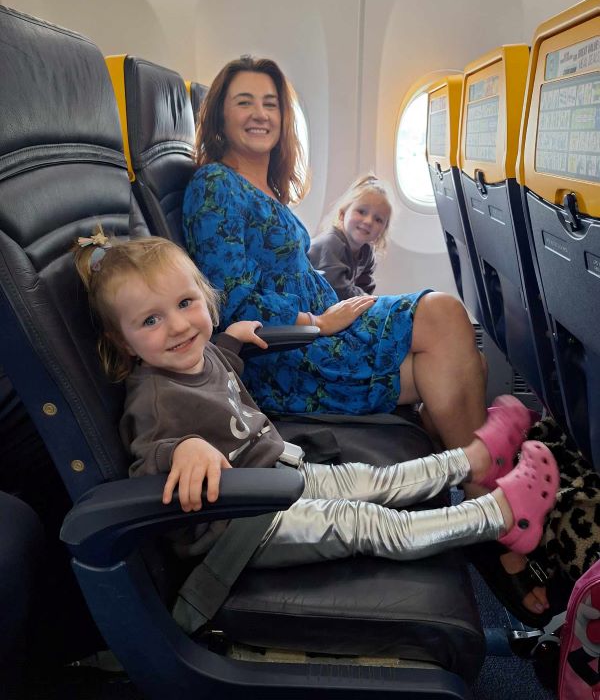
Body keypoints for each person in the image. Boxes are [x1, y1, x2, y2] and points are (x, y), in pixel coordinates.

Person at [73, 232, 559, 569]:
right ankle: (498, 515)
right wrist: (183, 450)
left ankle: (474, 458)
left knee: (375, 480)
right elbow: (149, 453)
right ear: (123, 341)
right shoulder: (153, 397)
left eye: (185, 304)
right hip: (241, 526)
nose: (178, 326)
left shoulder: (202, 352)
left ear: (204, 299)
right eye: (150, 321)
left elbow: (218, 366)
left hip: (277, 473)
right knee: (368, 523)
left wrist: (236, 338)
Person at [182, 55, 486, 462]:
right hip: (285, 353)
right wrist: (317, 321)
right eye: (244, 102)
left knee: (470, 361)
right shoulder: (215, 185)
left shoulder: (267, 185)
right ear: (220, 115)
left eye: (270, 104)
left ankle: (466, 481)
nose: (260, 114)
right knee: (446, 316)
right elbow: (230, 301)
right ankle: (485, 489)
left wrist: (335, 312)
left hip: (321, 329)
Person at [308, 173, 392, 300]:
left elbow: (365, 286)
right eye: (361, 212)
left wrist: (368, 301)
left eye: (378, 219)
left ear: (382, 231)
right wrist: (368, 301)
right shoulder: (332, 244)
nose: (368, 221)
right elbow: (336, 290)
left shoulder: (367, 252)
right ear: (342, 214)